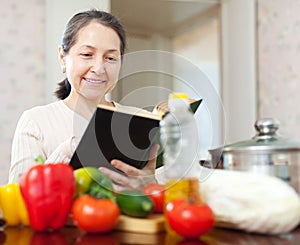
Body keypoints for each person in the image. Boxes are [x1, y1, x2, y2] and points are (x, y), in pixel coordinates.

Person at [9, 9, 159, 191]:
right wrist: (71, 148)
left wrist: (150, 187)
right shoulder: (35, 121)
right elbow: (20, 199)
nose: (99, 68)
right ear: (63, 58)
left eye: (110, 58)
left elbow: (158, 204)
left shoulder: (141, 121)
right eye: (87, 54)